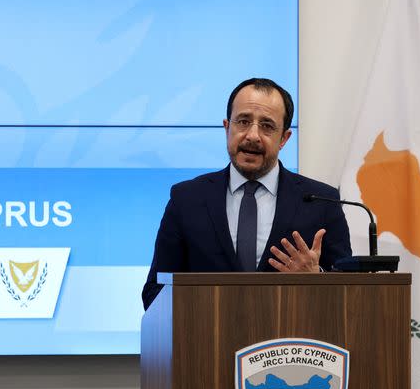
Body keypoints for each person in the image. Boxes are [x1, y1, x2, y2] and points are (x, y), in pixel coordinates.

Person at [142, 77, 351, 310]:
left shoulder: (322, 201)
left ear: (284, 138)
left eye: (267, 126)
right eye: (243, 121)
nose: (252, 135)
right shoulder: (186, 199)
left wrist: (317, 278)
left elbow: (349, 299)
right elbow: (155, 292)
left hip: (290, 343)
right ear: (226, 127)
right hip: (207, 342)